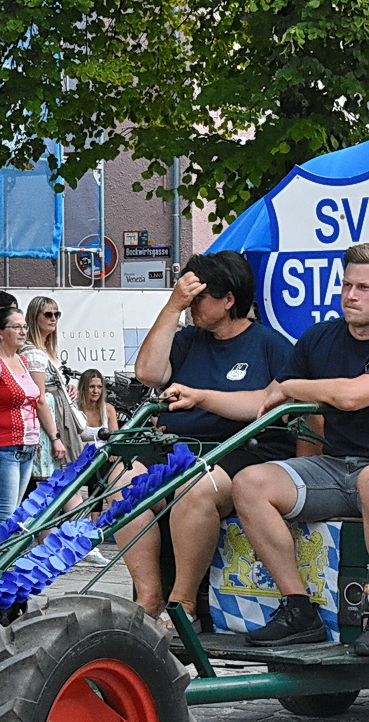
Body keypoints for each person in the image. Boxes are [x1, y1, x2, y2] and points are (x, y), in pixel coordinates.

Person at [180, 243, 369, 657]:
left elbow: (352, 397)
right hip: (337, 467)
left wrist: (292, 387)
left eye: (364, 287)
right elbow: (263, 401)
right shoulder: (320, 338)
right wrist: (199, 396)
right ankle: (299, 610)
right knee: (249, 483)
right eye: (347, 284)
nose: (351, 295)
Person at [125, 251, 294, 625]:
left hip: (244, 448)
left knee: (197, 486)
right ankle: (149, 595)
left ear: (229, 300)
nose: (191, 306)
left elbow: (266, 403)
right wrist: (172, 307)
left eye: (198, 297)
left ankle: (182, 604)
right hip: (182, 447)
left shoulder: (270, 344)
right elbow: (148, 374)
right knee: (122, 483)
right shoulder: (188, 340)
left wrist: (202, 397)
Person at [0, 307, 66, 530]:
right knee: (2, 514)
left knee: (14, 515)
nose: (22, 332)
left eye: (24, 327)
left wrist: (52, 436)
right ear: (0, 332)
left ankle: (0, 563)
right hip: (1, 447)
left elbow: (37, 399)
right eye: (16, 327)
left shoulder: (20, 360)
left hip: (25, 447)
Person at [23, 295, 88, 482]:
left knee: (65, 482)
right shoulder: (32, 352)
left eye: (57, 314)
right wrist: (54, 437)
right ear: (35, 317)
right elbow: (39, 398)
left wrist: (65, 389)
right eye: (48, 314)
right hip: (47, 424)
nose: (54, 319)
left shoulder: (47, 350)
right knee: (56, 483)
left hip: (59, 416)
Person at [75, 369, 117, 447]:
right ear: (83, 388)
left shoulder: (108, 409)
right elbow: (72, 441)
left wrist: (112, 451)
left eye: (99, 387)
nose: (96, 391)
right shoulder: (74, 409)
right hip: (81, 454)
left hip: (105, 454)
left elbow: (114, 439)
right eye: (91, 386)